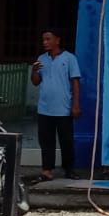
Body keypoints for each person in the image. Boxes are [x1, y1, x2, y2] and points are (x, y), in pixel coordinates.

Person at [31, 28, 82, 180]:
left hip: (63, 108)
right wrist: (33, 71)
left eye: (48, 39)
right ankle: (47, 170)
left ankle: (69, 169)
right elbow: (35, 82)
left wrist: (76, 105)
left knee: (66, 140)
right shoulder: (41, 59)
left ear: (57, 40)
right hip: (44, 108)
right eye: (43, 40)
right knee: (46, 141)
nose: (45, 42)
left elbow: (76, 82)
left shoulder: (69, 58)